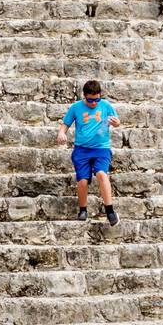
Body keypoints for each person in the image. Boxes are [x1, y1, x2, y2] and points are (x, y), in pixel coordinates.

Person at [57, 79, 121, 225]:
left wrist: (116, 123)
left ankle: (110, 211)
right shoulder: (76, 107)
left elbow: (117, 121)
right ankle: (83, 210)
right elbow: (65, 124)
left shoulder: (105, 105)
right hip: (82, 150)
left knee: (101, 174)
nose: (94, 103)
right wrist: (61, 133)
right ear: (84, 96)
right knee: (83, 180)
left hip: (101, 148)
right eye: (90, 100)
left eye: (97, 99)